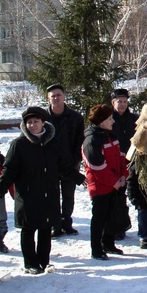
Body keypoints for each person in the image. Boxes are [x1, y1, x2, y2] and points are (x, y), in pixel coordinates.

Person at [0, 107, 85, 274]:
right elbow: (9, 170)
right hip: (27, 195)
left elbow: (64, 166)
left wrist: (80, 179)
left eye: (36, 121)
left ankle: (44, 261)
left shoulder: (53, 143)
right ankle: (30, 263)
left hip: (48, 193)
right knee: (28, 230)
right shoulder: (19, 145)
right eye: (29, 122)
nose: (32, 125)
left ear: (43, 122)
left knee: (45, 229)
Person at [82, 105, 129, 260]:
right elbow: (97, 166)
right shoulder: (92, 140)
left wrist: (123, 175)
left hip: (115, 184)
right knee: (99, 218)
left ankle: (108, 243)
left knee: (111, 215)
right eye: (109, 119)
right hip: (100, 187)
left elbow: (120, 156)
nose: (112, 121)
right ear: (101, 122)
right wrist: (113, 182)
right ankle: (96, 249)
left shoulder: (110, 135)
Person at [45, 84, 84, 237]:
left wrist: (75, 160)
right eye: (53, 96)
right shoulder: (43, 118)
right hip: (50, 165)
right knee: (52, 196)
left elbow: (80, 140)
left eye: (58, 95)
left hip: (70, 164)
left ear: (64, 96)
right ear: (48, 98)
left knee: (68, 196)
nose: (56, 98)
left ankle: (67, 223)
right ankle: (55, 225)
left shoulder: (75, 117)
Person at [109, 88, 137, 240]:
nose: (122, 104)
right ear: (113, 103)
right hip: (114, 162)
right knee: (118, 195)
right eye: (119, 101)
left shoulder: (134, 119)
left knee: (138, 193)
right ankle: (118, 227)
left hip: (132, 160)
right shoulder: (109, 120)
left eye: (125, 101)